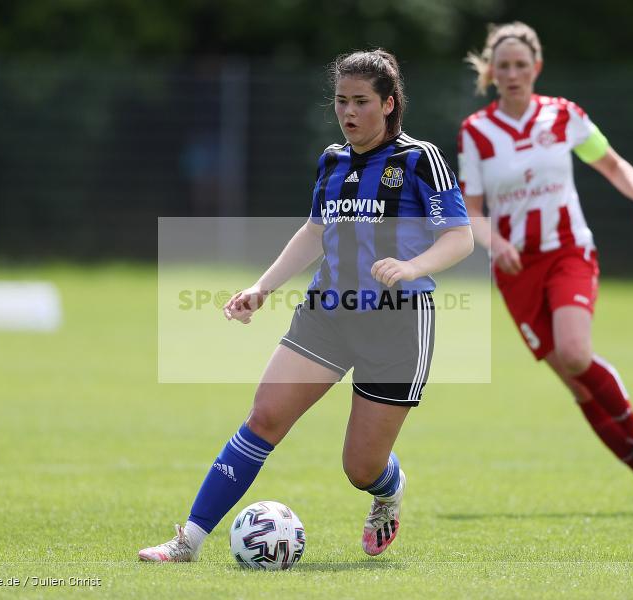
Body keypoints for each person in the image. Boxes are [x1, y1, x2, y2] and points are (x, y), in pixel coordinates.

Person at [139, 49, 474, 562]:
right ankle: (188, 540)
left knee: (360, 468)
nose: (349, 112)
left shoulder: (419, 159)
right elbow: (315, 231)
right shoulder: (333, 160)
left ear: (388, 104)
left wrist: (411, 268)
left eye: (361, 101)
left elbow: (460, 238)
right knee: (265, 416)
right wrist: (262, 288)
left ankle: (388, 488)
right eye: (342, 101)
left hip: (397, 325)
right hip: (327, 314)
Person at [456, 22, 633, 512]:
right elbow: (470, 210)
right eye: (503, 66)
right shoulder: (476, 132)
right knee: (576, 385)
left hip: (568, 250)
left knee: (576, 353)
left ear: (536, 68)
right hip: (516, 272)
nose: (513, 74)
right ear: (491, 72)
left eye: (521, 65)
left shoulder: (563, 116)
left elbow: (613, 164)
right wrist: (494, 243)